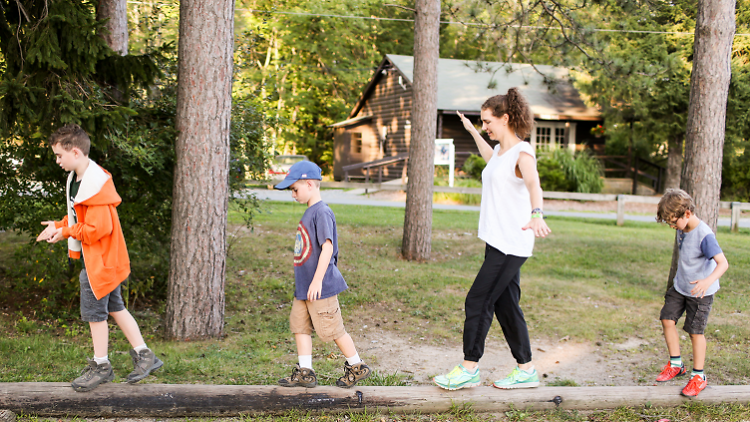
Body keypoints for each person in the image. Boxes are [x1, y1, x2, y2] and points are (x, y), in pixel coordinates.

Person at [434, 88, 551, 391]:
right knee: (506, 305)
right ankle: (526, 369)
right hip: (497, 241)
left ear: (506, 118)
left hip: (511, 243)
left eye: (487, 121)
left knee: (478, 299)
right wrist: (473, 132)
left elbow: (533, 182)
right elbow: (491, 161)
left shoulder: (522, 153)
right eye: (482, 122)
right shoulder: (500, 153)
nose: (485, 126)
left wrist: (537, 212)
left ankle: (469, 367)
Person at [36, 124, 163, 392]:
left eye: (59, 155)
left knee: (96, 314)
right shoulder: (78, 180)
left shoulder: (95, 186)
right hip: (105, 259)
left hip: (101, 263)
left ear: (76, 152)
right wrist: (59, 226)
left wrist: (65, 231)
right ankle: (145, 356)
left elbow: (97, 230)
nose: (57, 161)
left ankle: (101, 365)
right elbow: (79, 219)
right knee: (116, 306)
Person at [273, 161, 371, 388]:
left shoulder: (322, 212)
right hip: (304, 288)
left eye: (295, 189)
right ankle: (305, 372)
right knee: (300, 326)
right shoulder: (310, 212)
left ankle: (357, 366)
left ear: (309, 184)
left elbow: (327, 247)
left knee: (333, 329)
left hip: (320, 286)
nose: (293, 194)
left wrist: (317, 281)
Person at [655, 189, 728, 397]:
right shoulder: (682, 226)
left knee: (695, 332)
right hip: (680, 287)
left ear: (687, 213)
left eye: (672, 221)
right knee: (667, 319)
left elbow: (723, 263)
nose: (671, 226)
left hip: (700, 293)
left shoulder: (705, 235)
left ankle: (699, 376)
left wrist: (707, 280)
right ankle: (676, 364)